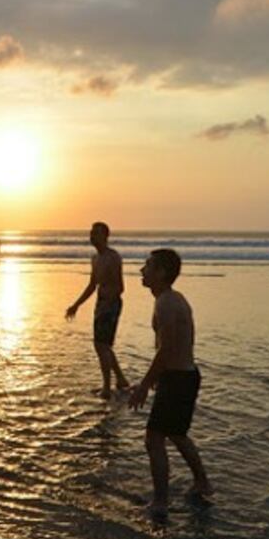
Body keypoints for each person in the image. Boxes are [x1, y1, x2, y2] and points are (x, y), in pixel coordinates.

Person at [128, 249, 212, 520]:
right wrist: (158, 379)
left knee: (154, 438)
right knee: (176, 434)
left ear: (161, 272)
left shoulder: (166, 303)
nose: (142, 270)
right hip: (181, 376)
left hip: (178, 378)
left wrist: (144, 384)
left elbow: (167, 349)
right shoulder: (172, 299)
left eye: (148, 266)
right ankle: (203, 482)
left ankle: (161, 502)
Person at [66, 221, 128, 398]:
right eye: (91, 233)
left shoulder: (113, 257)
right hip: (101, 303)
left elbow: (120, 287)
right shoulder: (95, 258)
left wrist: (108, 304)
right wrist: (76, 305)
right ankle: (121, 379)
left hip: (112, 303)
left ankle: (107, 387)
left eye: (96, 233)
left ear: (106, 236)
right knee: (103, 345)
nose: (92, 236)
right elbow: (92, 285)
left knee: (101, 345)